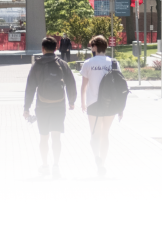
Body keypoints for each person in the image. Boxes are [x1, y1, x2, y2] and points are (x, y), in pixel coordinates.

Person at [24, 37, 77, 178]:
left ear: (43, 49)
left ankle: (45, 165)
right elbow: (71, 83)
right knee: (56, 137)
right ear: (56, 48)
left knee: (43, 137)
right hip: (59, 105)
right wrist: (72, 101)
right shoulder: (62, 64)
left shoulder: (37, 65)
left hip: (42, 106)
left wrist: (26, 108)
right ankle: (56, 166)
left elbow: (30, 87)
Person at [81, 35, 125, 176]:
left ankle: (97, 159)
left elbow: (84, 86)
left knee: (95, 134)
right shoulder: (113, 63)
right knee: (105, 134)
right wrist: (120, 108)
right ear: (105, 47)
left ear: (94, 47)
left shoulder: (88, 63)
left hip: (93, 104)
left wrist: (82, 103)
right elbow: (119, 86)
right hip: (110, 104)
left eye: (91, 46)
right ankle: (103, 163)